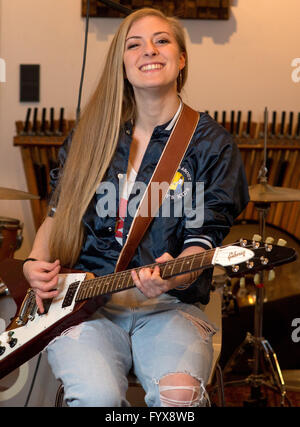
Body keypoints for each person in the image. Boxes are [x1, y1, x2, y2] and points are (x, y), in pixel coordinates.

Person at [23, 7, 249, 407]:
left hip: (169, 307)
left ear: (181, 59)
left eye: (162, 40)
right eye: (134, 44)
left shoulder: (211, 145)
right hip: (87, 306)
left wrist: (174, 277)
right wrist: (33, 263)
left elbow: (202, 240)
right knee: (97, 398)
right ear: (122, 64)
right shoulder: (92, 136)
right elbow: (58, 215)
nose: (149, 50)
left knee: (179, 399)